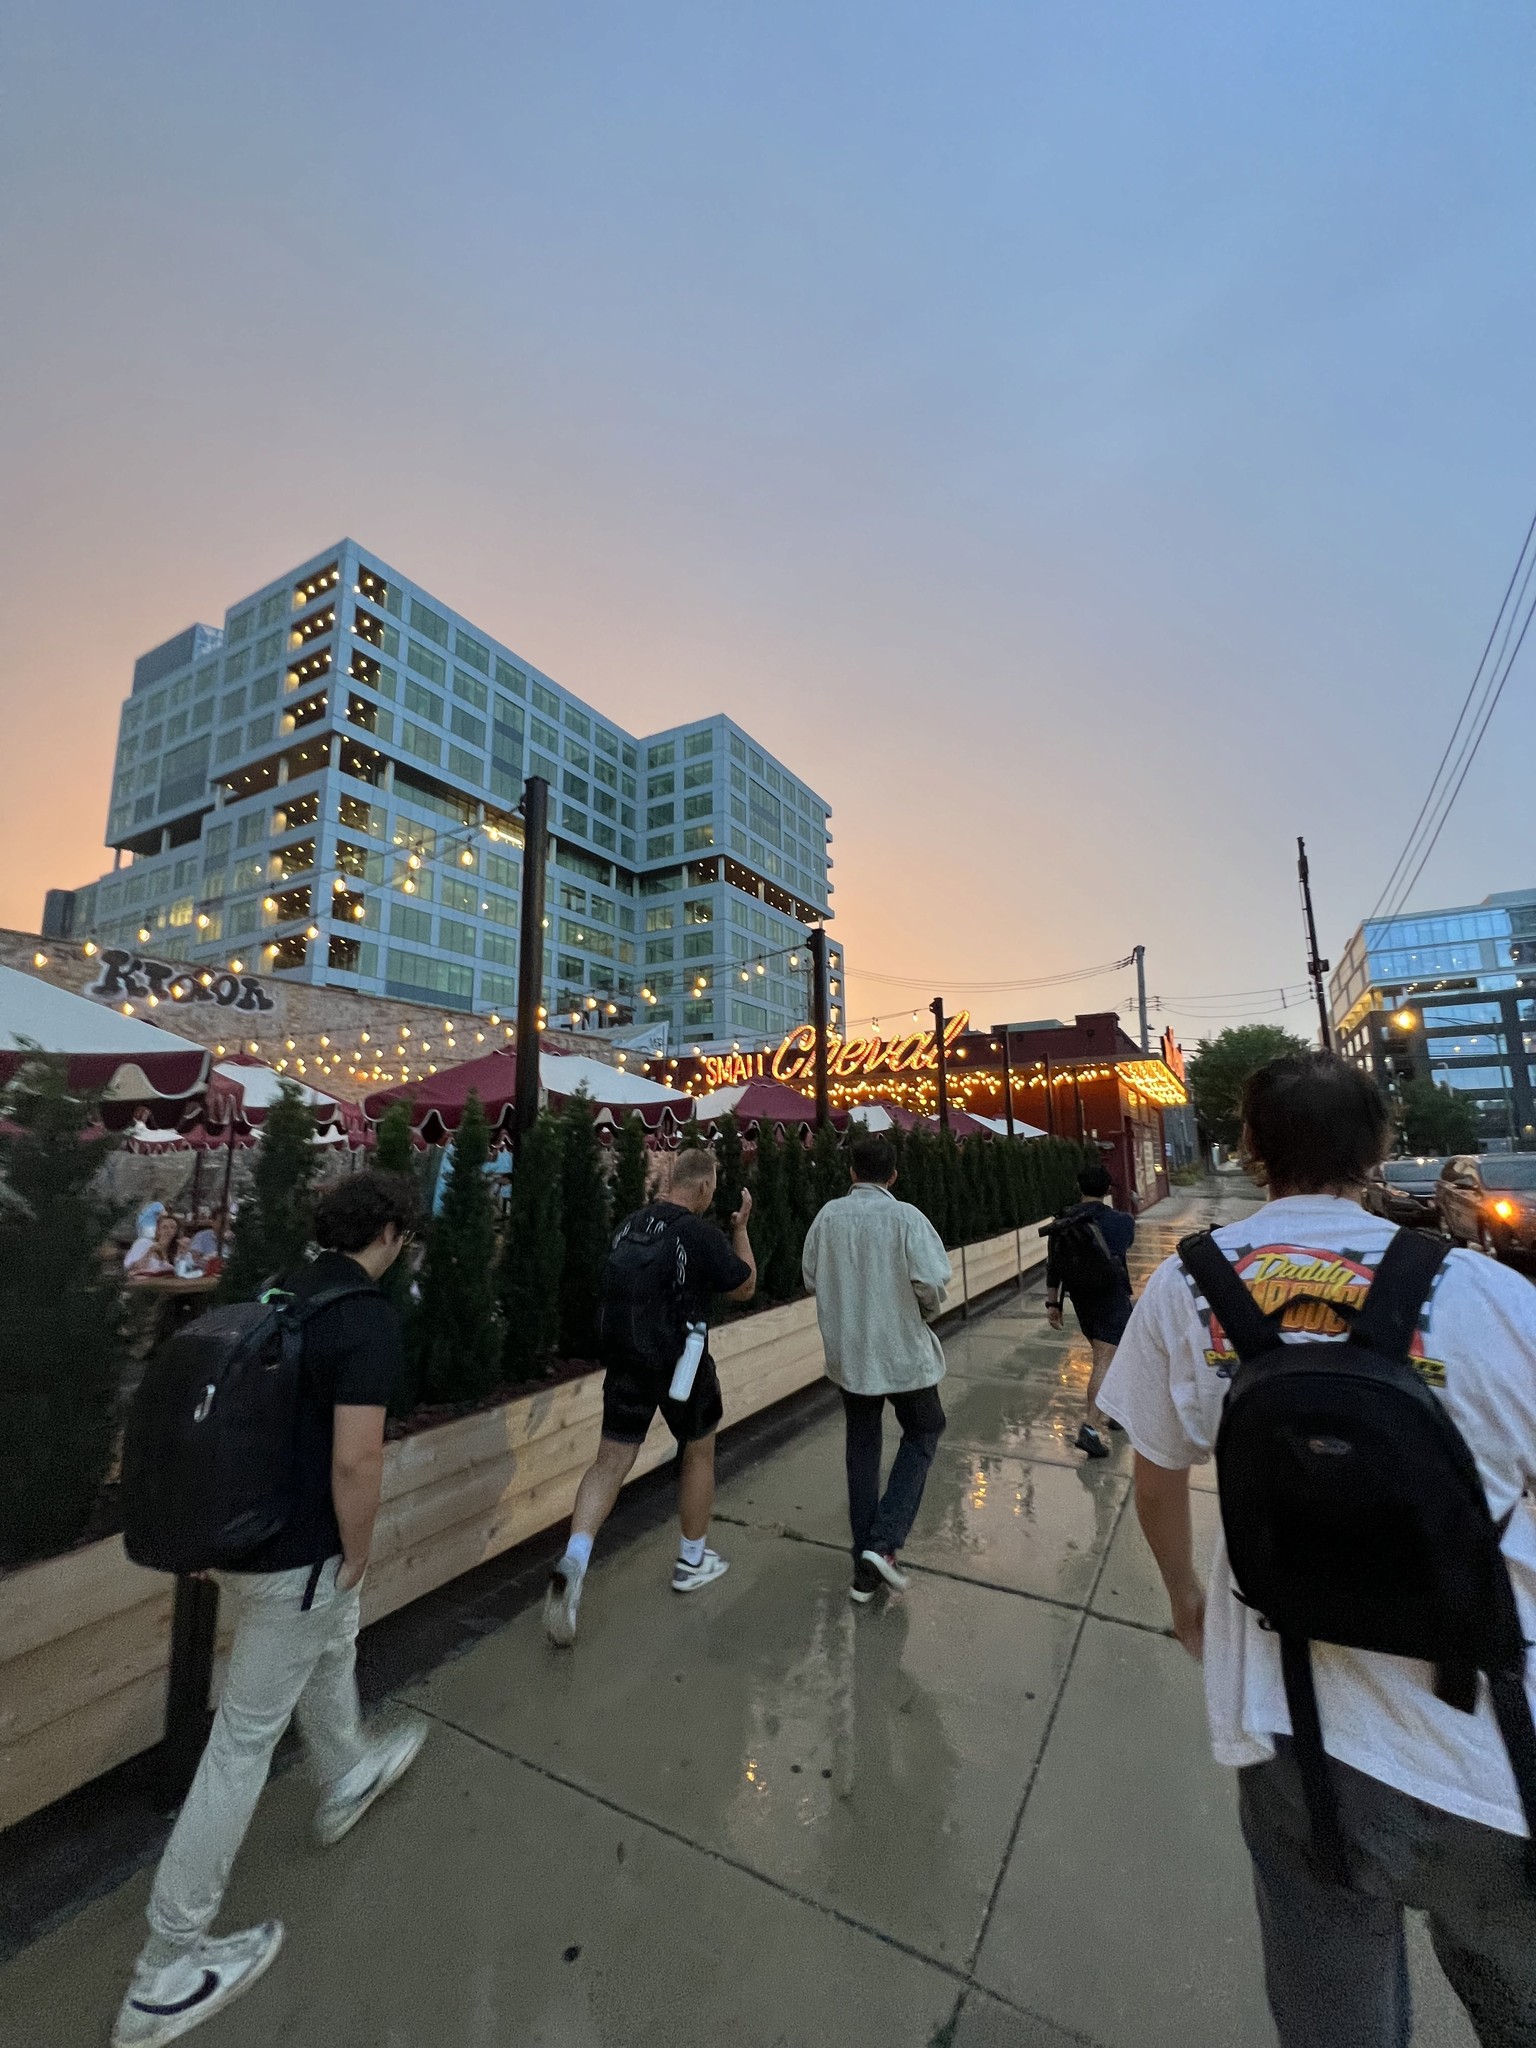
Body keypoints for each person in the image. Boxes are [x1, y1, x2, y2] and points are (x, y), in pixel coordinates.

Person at [1100, 1051, 1536, 2048]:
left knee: (1334, 2019)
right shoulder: (1487, 1292)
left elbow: (1156, 1473)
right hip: (1499, 1742)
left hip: (1298, 1739)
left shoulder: (1190, 1284)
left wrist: (1184, 1596)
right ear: (1381, 1147)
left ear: (1250, 1151)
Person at [113, 1170, 428, 2048]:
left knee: (332, 1642)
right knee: (244, 1742)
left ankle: (345, 1769)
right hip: (300, 1553)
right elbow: (357, 1462)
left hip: (242, 1540)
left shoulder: (283, 1291)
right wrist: (355, 1550)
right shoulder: (363, 1317)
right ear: (393, 1234)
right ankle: (166, 1965)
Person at [544, 1145, 754, 1646]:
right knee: (698, 1452)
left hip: (626, 1362)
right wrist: (741, 1229)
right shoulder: (698, 1232)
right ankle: (692, 1559)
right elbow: (744, 1287)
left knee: (609, 1462)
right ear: (703, 1187)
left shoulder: (629, 1226)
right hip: (682, 1362)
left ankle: (575, 1557)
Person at [802, 1130, 953, 1603]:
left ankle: (864, 1567)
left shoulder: (828, 1217)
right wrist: (922, 1312)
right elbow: (931, 1282)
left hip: (851, 1354)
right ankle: (883, 1544)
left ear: (851, 1171)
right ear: (893, 1174)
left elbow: (811, 1278)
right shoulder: (905, 1217)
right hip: (902, 1351)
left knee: (862, 1447)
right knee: (925, 1429)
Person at [1043, 1160, 1135, 1459]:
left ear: (1078, 1187)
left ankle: (1113, 1412)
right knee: (1104, 1360)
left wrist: (1052, 1304)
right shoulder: (1121, 1221)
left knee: (1109, 1355)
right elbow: (1122, 1251)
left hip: (1081, 1300)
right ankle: (1091, 1427)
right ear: (1108, 1189)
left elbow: (1053, 1265)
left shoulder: (1062, 1222)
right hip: (1111, 1297)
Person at [125, 1210, 179, 1278]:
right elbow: (134, 1268)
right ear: (158, 1230)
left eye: (172, 1227)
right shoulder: (144, 1242)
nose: (169, 1230)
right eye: (165, 1227)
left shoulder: (177, 1248)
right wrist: (150, 1251)